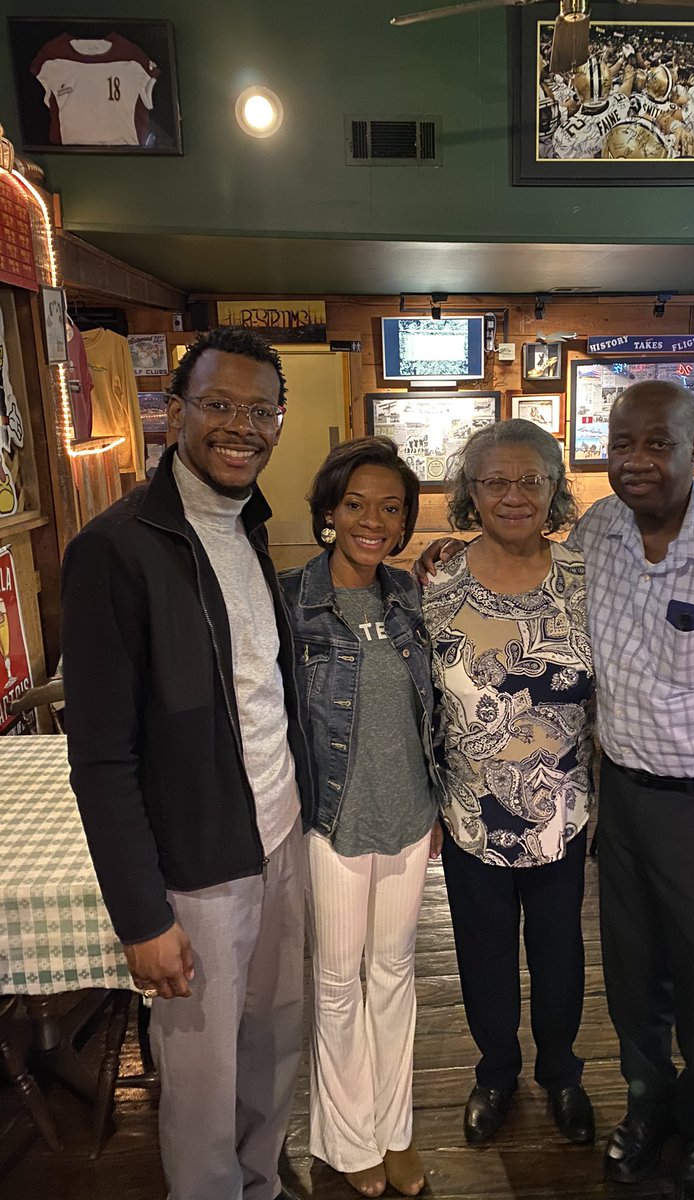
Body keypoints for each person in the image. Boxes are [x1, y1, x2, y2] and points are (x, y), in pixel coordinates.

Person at [417, 383, 694, 1200]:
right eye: (622, 444)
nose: (638, 460)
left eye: (658, 443)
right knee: (634, 979)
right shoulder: (599, 534)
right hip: (621, 802)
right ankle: (645, 1109)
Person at [61, 327, 314, 1200]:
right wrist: (142, 917)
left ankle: (262, 1185)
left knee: (275, 1045)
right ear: (177, 413)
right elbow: (100, 757)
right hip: (197, 870)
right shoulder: (114, 548)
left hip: (280, 836)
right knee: (203, 1085)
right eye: (218, 405)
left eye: (260, 410)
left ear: (278, 423)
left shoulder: (250, 526)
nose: (241, 426)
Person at [421, 419, 596, 1149]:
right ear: (471, 491)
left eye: (531, 480)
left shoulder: (585, 579)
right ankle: (494, 1072)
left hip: (562, 811)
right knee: (483, 953)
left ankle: (562, 1072)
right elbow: (420, 701)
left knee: (560, 952)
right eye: (495, 480)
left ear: (555, 489)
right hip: (470, 813)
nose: (514, 495)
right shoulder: (435, 582)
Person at [280, 437, 440, 1200]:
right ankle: (347, 1141)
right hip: (332, 821)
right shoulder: (291, 600)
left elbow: (428, 709)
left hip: (408, 815)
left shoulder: (408, 595)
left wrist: (436, 803)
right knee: (339, 984)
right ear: (329, 512)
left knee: (395, 976)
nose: (373, 521)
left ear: (404, 522)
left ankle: (394, 1129)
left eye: (390, 508)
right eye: (356, 505)